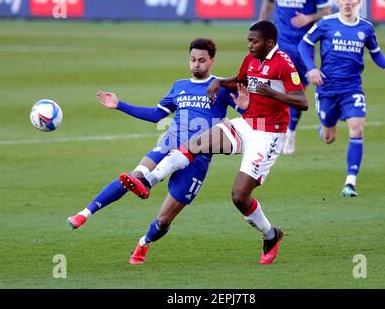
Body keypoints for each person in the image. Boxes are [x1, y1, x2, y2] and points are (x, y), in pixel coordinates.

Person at [120, 21, 309, 264]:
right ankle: (147, 181)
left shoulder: (284, 63)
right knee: (195, 144)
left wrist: (273, 93)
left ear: (269, 43)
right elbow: (239, 80)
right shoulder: (251, 59)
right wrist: (219, 82)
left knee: (240, 197)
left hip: (268, 134)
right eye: (249, 40)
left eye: (254, 41)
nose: (249, 44)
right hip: (246, 124)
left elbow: (302, 102)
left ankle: (271, 235)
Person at [66, 38, 250, 264]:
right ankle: (84, 214)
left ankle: (144, 242)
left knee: (163, 220)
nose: (196, 65)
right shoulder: (179, 86)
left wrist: (243, 106)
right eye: (192, 60)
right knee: (132, 178)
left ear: (212, 60)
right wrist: (120, 105)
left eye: (202, 60)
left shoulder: (221, 87)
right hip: (170, 143)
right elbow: (156, 115)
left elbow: (245, 120)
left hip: (198, 159)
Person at [298, 0, 385, 197]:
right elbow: (304, 45)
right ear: (338, 1)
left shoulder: (366, 28)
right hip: (327, 88)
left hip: (352, 88)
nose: (347, 2)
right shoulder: (326, 23)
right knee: (328, 138)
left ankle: (350, 183)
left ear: (358, 1)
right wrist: (312, 68)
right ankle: (325, 127)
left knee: (357, 129)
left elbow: (376, 52)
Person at [259, 0, 331, 155]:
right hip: (279, 44)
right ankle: (273, 134)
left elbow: (326, 12)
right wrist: (261, 22)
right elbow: (269, 0)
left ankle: (290, 131)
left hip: (303, 47)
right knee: (272, 88)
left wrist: (309, 18)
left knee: (297, 93)